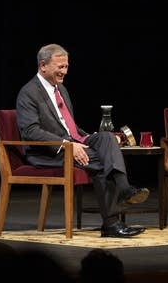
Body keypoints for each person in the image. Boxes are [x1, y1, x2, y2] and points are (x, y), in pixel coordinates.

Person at [16, 43, 149, 238]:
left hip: (72, 142)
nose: (64, 72)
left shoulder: (61, 90)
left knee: (106, 138)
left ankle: (123, 191)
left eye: (66, 66)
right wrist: (67, 144)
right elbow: (30, 131)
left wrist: (85, 138)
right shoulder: (28, 93)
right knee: (104, 162)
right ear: (43, 66)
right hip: (46, 152)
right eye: (59, 67)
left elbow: (69, 126)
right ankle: (113, 221)